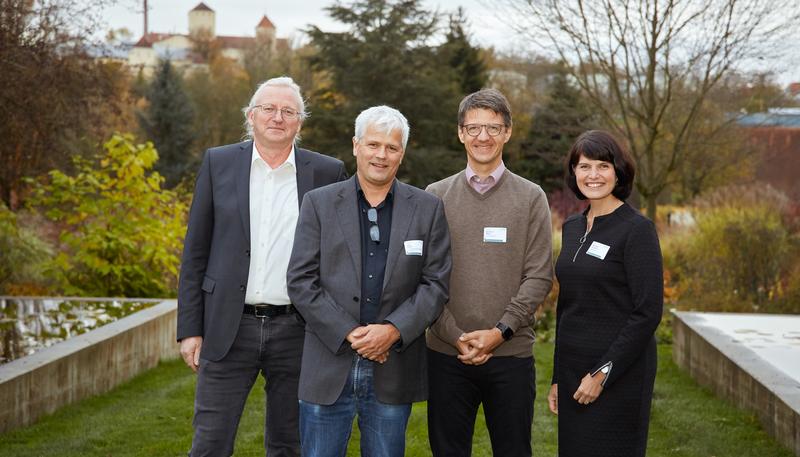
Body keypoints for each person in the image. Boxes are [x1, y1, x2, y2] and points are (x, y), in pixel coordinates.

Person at [177, 76, 347, 457]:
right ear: (251, 116)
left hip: (298, 331)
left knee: (289, 445)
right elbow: (195, 253)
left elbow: (340, 256)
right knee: (210, 444)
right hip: (227, 327)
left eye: (288, 111)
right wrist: (190, 329)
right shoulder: (217, 162)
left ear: (300, 122)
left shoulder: (326, 172)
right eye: (268, 108)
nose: (277, 117)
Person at [287, 105, 451, 457]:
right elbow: (301, 280)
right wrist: (350, 332)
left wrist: (391, 331)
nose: (381, 155)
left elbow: (435, 284)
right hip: (327, 365)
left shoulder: (427, 208)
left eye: (392, 148)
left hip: (392, 367)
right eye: (373, 144)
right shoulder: (319, 203)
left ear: (402, 154)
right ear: (355, 146)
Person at [425, 88, 554, 457]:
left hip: (510, 355)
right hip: (447, 356)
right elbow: (426, 276)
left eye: (493, 128)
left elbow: (539, 276)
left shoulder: (531, 197)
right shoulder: (434, 196)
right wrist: (456, 335)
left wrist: (500, 333)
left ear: (508, 132)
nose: (483, 137)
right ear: (461, 133)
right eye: (475, 128)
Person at [548, 130, 663, 457]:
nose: (593, 175)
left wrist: (602, 373)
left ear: (618, 171)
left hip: (620, 374)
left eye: (602, 166)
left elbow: (647, 313)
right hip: (573, 370)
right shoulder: (572, 227)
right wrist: (558, 377)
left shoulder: (636, 230)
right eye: (584, 166)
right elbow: (567, 307)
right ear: (574, 172)